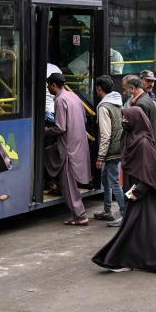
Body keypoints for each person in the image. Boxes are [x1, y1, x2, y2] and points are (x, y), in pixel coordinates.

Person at [92, 107, 156, 273]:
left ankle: (135, 259)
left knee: (142, 226)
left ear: (135, 121)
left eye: (126, 118)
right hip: (136, 192)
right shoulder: (131, 138)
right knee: (141, 227)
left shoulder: (143, 143)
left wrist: (137, 192)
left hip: (144, 194)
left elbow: (149, 172)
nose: (123, 121)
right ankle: (130, 259)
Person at [45, 72, 91, 225]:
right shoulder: (73, 96)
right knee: (48, 154)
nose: (47, 88)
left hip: (67, 148)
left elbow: (60, 128)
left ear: (53, 85)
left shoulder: (59, 100)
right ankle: (56, 184)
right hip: (78, 144)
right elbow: (83, 118)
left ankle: (80, 215)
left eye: (48, 85)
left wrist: (46, 130)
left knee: (69, 184)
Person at [93, 75, 126, 227]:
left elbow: (105, 135)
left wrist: (100, 157)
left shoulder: (103, 107)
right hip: (119, 146)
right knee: (106, 179)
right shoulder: (117, 102)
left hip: (111, 150)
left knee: (113, 182)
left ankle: (125, 213)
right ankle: (107, 211)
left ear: (99, 88)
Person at [122, 75, 156, 140]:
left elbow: (137, 129)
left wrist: (124, 121)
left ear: (132, 89)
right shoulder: (146, 99)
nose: (124, 93)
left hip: (143, 146)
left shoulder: (140, 105)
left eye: (125, 89)